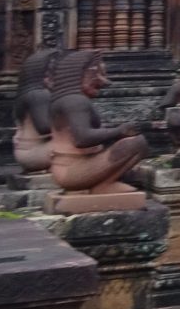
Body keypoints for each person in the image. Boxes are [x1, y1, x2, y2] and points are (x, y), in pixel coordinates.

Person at [47, 49, 150, 198]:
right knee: (137, 143)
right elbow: (82, 138)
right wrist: (119, 131)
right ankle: (104, 185)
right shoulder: (76, 101)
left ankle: (103, 183)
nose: (103, 82)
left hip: (67, 168)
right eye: (96, 74)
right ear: (78, 73)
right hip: (73, 170)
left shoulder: (66, 100)